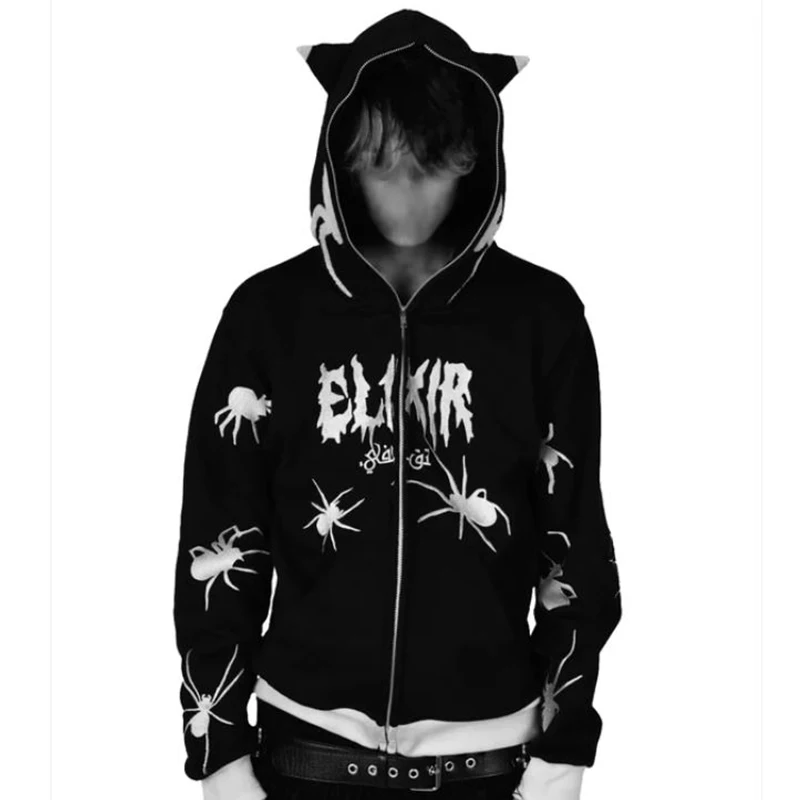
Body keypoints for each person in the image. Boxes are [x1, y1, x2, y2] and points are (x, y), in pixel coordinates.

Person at [173, 9, 622, 800]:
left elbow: (574, 537)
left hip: (495, 766)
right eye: (382, 165)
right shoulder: (268, 316)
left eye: (433, 165)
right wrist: (218, 755)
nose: (407, 194)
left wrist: (565, 754)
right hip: (299, 758)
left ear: (475, 160)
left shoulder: (542, 317)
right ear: (341, 159)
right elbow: (222, 526)